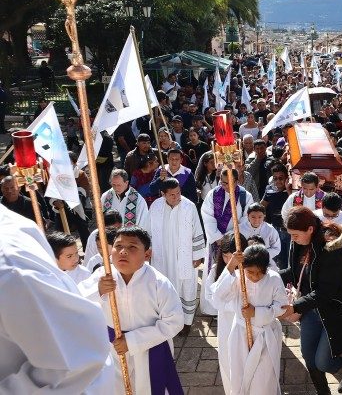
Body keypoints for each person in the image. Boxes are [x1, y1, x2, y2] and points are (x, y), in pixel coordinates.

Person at [0, 204, 115, 393]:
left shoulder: (12, 267)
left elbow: (76, 356)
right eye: (69, 255)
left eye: (76, 254)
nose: (75, 259)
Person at [78, 226, 183, 394]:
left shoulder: (159, 283)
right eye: (118, 246)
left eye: (132, 247)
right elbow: (77, 302)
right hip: (112, 348)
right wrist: (97, 290)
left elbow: (174, 321)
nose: (123, 252)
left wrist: (132, 341)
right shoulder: (102, 276)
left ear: (147, 254)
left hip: (149, 349)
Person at [279, 206, 342, 394]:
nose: (292, 238)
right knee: (309, 358)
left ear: (310, 229)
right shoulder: (298, 242)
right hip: (310, 310)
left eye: (295, 235)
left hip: (333, 311)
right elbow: (294, 272)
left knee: (323, 361)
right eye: (290, 234)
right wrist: (269, 276)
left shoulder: (330, 248)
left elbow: (325, 292)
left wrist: (295, 307)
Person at [212, 244, 288, 394]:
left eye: (259, 273)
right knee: (239, 376)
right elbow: (217, 296)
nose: (254, 277)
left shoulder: (274, 279)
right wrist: (231, 265)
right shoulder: (238, 277)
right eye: (250, 272)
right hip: (240, 334)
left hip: (266, 335)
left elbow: (281, 307)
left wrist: (256, 313)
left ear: (266, 269)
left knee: (263, 381)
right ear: (243, 267)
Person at [149, 178, 206, 334]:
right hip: (162, 255)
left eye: (178, 193)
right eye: (172, 195)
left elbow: (197, 231)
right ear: (163, 194)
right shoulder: (155, 206)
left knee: (186, 285)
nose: (176, 197)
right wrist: (148, 250)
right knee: (163, 286)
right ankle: (166, 319)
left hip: (184, 255)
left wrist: (198, 255)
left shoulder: (189, 206)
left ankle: (186, 323)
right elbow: (148, 230)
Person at [200, 168, 253, 315]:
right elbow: (207, 215)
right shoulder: (213, 194)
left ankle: (233, 304)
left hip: (234, 242)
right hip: (215, 241)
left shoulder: (244, 196)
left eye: (228, 183)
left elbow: (246, 220)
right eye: (222, 182)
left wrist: (229, 238)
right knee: (216, 270)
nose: (224, 186)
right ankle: (213, 305)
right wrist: (218, 237)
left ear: (236, 181)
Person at [209, 233, 248, 394]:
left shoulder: (253, 269)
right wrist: (230, 267)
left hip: (247, 322)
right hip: (228, 323)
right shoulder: (215, 271)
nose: (229, 260)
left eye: (234, 257)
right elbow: (214, 299)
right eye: (225, 256)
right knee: (230, 363)